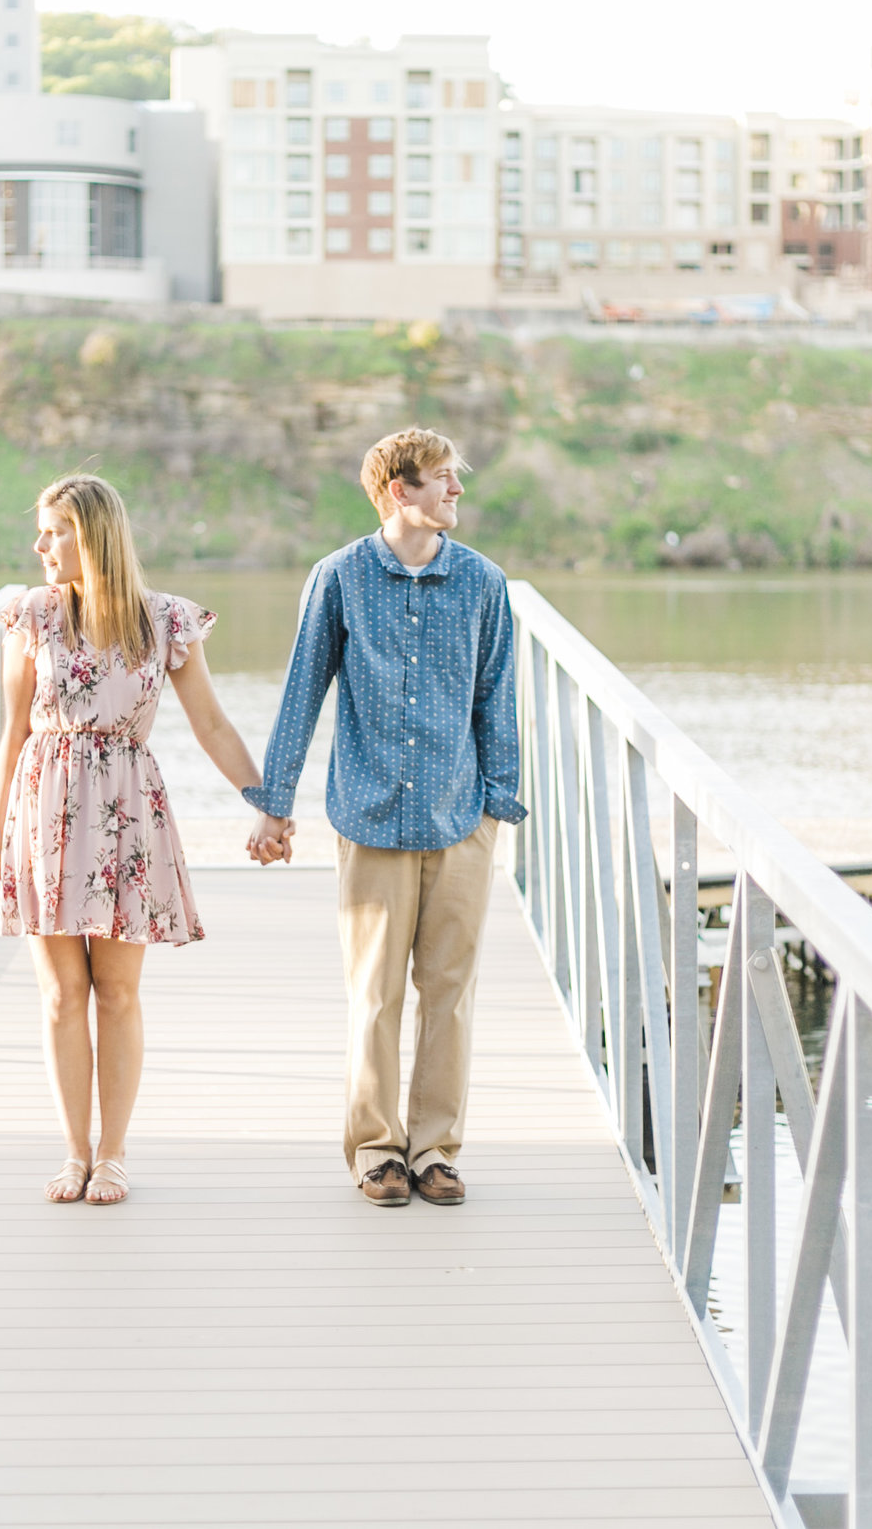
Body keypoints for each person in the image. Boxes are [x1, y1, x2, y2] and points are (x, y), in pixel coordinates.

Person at [244, 428, 525, 1207]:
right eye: (443, 480)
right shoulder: (337, 578)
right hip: (369, 816)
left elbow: (496, 701)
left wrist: (496, 811)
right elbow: (303, 691)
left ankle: (435, 1147)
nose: (457, 492)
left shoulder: (484, 583)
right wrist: (276, 803)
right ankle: (376, 1150)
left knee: (450, 991)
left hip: (459, 816)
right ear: (399, 491)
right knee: (374, 993)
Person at [0, 475, 275, 1206]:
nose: (40, 545)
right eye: (41, 531)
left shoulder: (165, 620)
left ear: (94, 535)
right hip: (44, 807)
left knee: (116, 991)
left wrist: (267, 803)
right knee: (60, 994)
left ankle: (113, 1153)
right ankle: (74, 1152)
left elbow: (211, 724)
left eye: (54, 531)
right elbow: (13, 730)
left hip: (126, 810)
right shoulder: (33, 615)